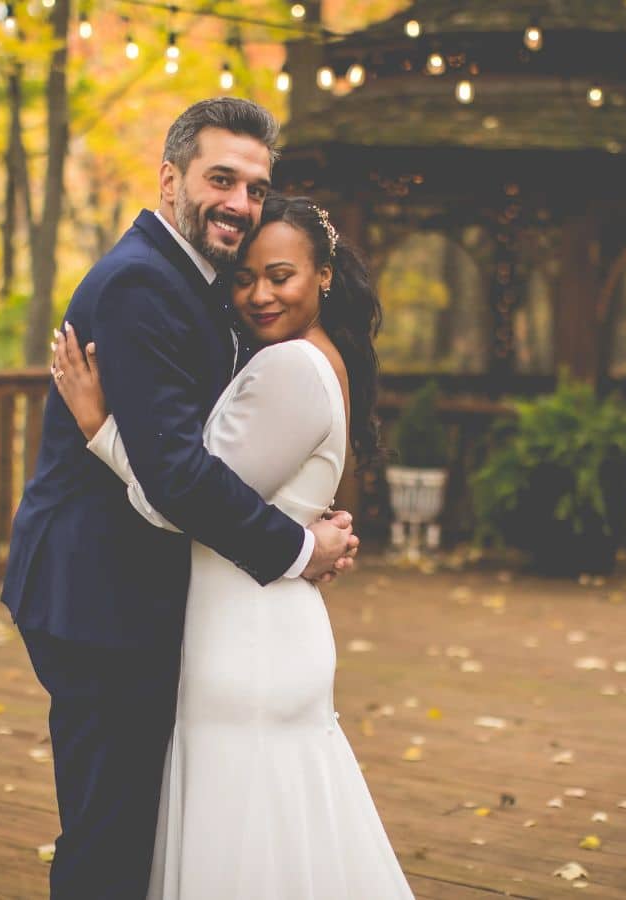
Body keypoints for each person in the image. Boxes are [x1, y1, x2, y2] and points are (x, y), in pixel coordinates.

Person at [0, 98, 359, 898]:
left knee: (134, 825)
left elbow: (223, 448)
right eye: (220, 179)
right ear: (170, 178)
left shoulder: (196, 281)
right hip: (96, 596)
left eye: (255, 187)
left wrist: (300, 514)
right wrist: (300, 549)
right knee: (109, 831)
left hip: (137, 593)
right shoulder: (140, 285)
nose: (239, 202)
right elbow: (178, 479)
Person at [51, 193, 414, 898]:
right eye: (243, 278)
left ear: (325, 275)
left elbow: (178, 498)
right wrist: (306, 544)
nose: (259, 294)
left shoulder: (290, 369)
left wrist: (101, 428)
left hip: (249, 640)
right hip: (258, 624)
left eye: (281, 276)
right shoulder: (308, 358)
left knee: (245, 842)